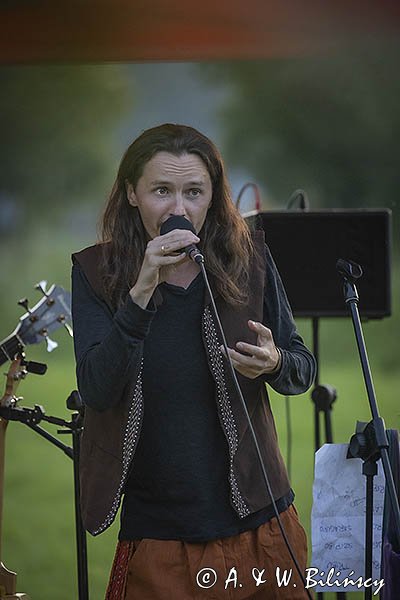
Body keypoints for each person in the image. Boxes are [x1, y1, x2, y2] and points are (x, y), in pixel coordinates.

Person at [71, 123, 316, 599]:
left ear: (212, 196)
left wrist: (274, 363)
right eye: (162, 190)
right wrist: (141, 292)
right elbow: (97, 389)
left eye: (193, 192)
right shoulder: (98, 273)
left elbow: (301, 369)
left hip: (260, 525)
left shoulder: (249, 260)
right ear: (131, 193)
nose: (178, 209)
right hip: (159, 535)